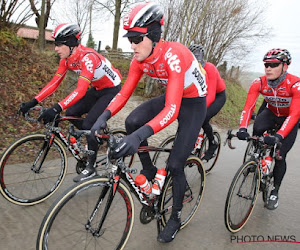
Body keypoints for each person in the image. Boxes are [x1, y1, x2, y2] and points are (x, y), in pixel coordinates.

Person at [90, 2, 207, 243]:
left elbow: (172, 110)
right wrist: (103, 117)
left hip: (193, 103)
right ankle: (149, 169)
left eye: (136, 38)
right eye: (128, 38)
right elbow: (123, 95)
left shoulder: (175, 55)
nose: (131, 45)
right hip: (173, 95)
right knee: (133, 121)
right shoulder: (139, 59)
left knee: (175, 164)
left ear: (154, 36)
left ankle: (174, 217)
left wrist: (137, 138)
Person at [19, 23, 122, 182]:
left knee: (88, 125)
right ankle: (98, 136)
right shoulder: (67, 59)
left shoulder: (88, 58)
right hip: (97, 89)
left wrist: (55, 108)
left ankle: (92, 167)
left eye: (59, 44)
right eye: (55, 44)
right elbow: (54, 83)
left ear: (71, 44)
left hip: (112, 90)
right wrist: (33, 102)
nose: (56, 48)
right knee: (70, 113)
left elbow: (80, 91)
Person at [237, 48, 300, 210]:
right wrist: (242, 128)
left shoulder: (295, 84)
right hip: (271, 113)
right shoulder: (259, 82)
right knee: (256, 130)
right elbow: (249, 106)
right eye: (266, 64)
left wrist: (279, 136)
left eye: (273, 64)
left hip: (289, 118)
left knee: (280, 155)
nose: (268, 68)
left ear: (285, 66)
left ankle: (274, 191)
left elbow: (294, 115)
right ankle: (257, 158)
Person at [188, 44, 226, 160]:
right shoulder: (188, 68)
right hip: (200, 94)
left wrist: (200, 110)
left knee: (203, 118)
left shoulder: (210, 68)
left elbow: (211, 93)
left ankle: (212, 143)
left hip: (217, 95)